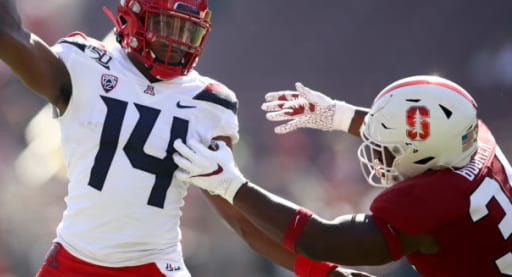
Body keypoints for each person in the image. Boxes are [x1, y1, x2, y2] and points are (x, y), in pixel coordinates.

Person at [0, 0, 368, 277]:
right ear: (132, 17)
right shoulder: (84, 64)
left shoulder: (207, 103)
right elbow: (2, 34)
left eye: (189, 32)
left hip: (155, 266)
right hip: (73, 261)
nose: (178, 42)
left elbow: (241, 221)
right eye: (167, 25)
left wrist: (324, 273)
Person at [173, 74, 512, 276]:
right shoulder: (472, 139)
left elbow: (319, 240)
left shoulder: (436, 199)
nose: (379, 150)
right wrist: (337, 115)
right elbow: (418, 134)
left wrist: (233, 186)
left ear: (427, 156)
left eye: (389, 146)